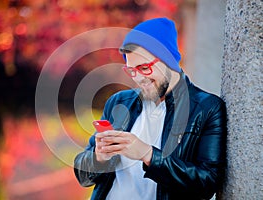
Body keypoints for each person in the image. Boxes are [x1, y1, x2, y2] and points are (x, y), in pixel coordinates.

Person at [74, 18, 227, 200]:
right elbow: (83, 176)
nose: (138, 78)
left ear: (168, 60)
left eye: (144, 68)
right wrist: (99, 157)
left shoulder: (207, 108)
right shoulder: (119, 102)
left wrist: (148, 155)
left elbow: (207, 183)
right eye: (131, 70)